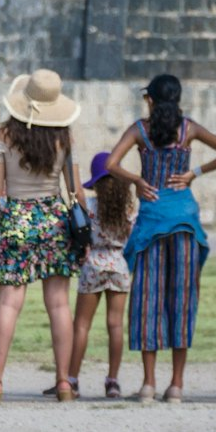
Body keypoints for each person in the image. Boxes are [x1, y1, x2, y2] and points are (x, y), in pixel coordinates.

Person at [107, 76, 216, 403]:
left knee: (147, 301)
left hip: (151, 224)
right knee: (182, 301)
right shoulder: (188, 129)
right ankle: (176, 385)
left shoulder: (140, 130)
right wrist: (195, 173)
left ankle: (149, 384)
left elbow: (111, 164)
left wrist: (137, 179)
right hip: (185, 223)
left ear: (149, 99)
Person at [0, 69, 85, 404]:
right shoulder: (64, 137)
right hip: (54, 219)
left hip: (17, 218)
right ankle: (64, 382)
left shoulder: (5, 135)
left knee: (9, 303)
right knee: (59, 304)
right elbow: (75, 190)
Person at [67, 152, 133, 399]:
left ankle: (72, 379)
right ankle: (113, 381)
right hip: (118, 264)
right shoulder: (127, 210)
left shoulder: (91, 207)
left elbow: (78, 207)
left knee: (82, 325)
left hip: (93, 262)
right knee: (115, 325)